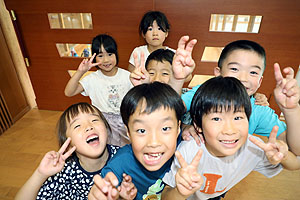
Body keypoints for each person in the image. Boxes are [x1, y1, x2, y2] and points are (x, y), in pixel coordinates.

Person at [162, 76, 300, 200]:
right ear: (198, 125)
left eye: (238, 117)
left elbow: (295, 165)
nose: (229, 130)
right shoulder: (188, 151)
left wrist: (283, 156)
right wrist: (181, 193)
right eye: (216, 118)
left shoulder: (252, 148)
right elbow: (166, 196)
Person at [178, 40, 300, 155]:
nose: (243, 78)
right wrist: (184, 126)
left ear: (260, 81)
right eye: (235, 69)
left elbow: (295, 148)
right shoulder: (202, 92)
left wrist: (291, 110)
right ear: (218, 73)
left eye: (253, 72)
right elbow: (169, 110)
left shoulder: (258, 109)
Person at [15, 102, 136, 200]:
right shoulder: (63, 172)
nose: (89, 127)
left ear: (106, 128)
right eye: (77, 126)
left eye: (94, 120)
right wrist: (40, 174)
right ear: (68, 145)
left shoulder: (125, 158)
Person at [88, 82, 186, 200]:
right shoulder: (119, 166)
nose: (153, 142)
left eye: (165, 128)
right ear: (128, 132)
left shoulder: (188, 151)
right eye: (141, 130)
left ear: (178, 129)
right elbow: (104, 191)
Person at [64, 34, 133, 147]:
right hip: (102, 123)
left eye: (110, 54)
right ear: (94, 57)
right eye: (100, 55)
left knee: (127, 149)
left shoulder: (127, 76)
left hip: (125, 121)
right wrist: (80, 71)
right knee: (106, 150)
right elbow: (69, 92)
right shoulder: (92, 79)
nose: (106, 60)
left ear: (116, 54)